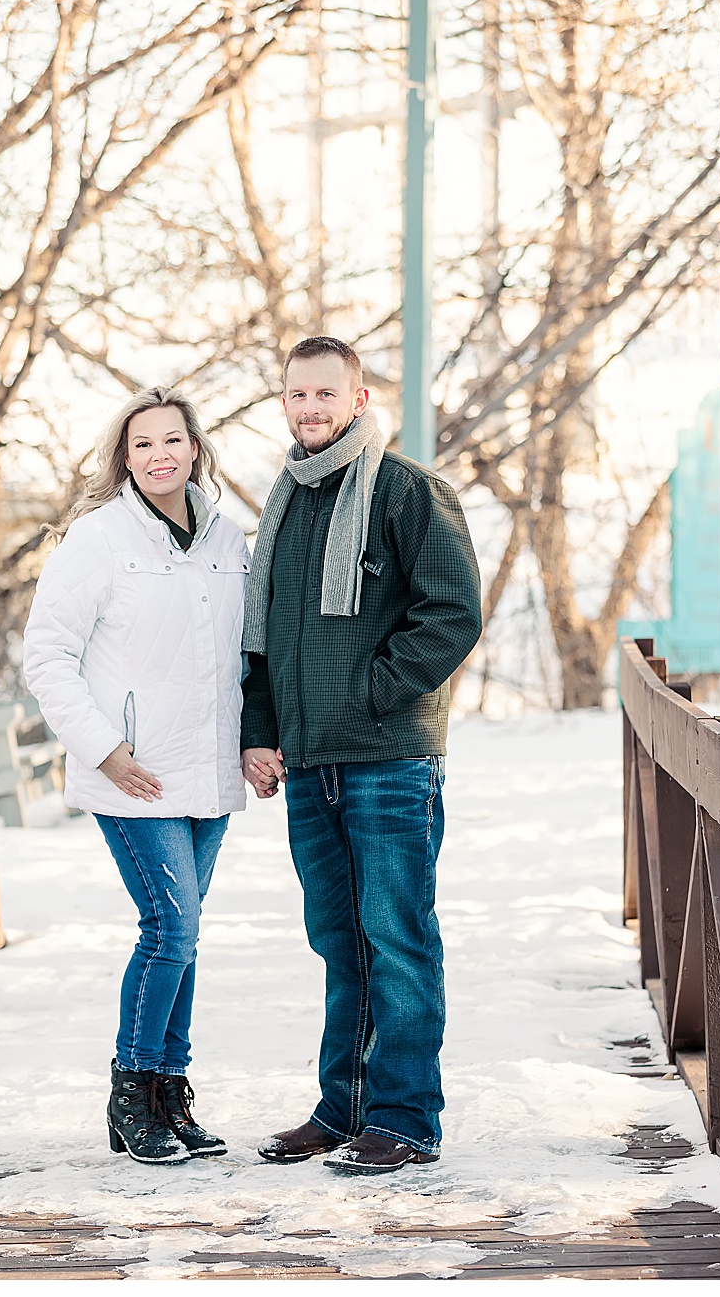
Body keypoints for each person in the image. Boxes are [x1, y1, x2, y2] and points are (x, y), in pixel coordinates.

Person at [241, 335, 482, 1176]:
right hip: (310, 765)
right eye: (296, 395)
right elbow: (265, 641)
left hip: (388, 758)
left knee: (398, 937)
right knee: (341, 942)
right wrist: (261, 731)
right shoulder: (289, 503)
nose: (310, 410)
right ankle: (342, 1110)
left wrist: (371, 691)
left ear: (360, 398)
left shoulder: (410, 491)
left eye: (325, 395)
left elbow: (452, 613)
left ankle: (406, 1118)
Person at [24, 386, 248, 1165]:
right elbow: (46, 655)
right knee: (171, 930)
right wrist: (102, 748)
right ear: (125, 456)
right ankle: (131, 1097)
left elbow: (243, 658)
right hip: (133, 775)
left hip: (208, 771)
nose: (160, 455)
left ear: (195, 449)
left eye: (173, 441)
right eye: (143, 443)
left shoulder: (226, 539)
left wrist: (255, 742)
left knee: (182, 938)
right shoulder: (96, 539)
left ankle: (168, 1094)